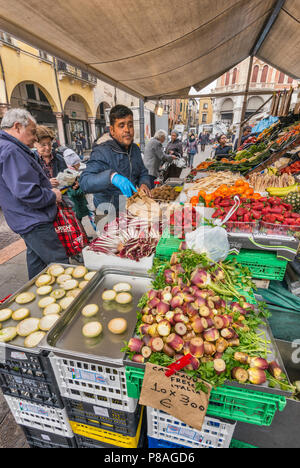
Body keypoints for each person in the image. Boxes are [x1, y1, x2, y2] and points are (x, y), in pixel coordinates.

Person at [0, 109, 69, 279]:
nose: (35, 138)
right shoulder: (11, 151)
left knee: (36, 263)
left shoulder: (9, 147)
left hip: (26, 219)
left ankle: (32, 296)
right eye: (32, 132)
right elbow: (28, 192)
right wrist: (53, 195)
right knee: (61, 263)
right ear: (17, 127)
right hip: (34, 220)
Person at [80, 104, 151, 214]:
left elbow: (143, 172)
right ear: (112, 130)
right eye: (121, 126)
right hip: (107, 211)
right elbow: (85, 182)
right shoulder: (101, 151)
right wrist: (111, 177)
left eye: (130, 125)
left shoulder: (135, 149)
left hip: (129, 207)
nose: (127, 130)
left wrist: (144, 183)